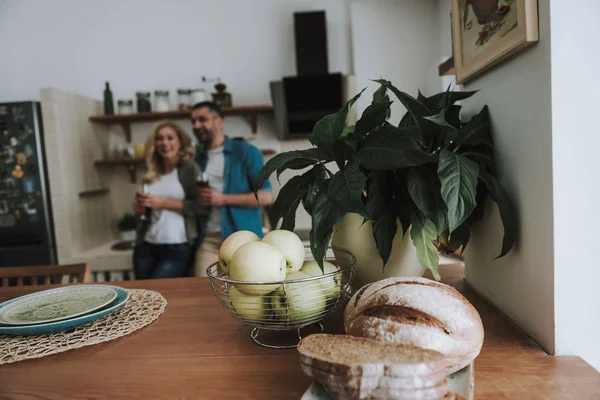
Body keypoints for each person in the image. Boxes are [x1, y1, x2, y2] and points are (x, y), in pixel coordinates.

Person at [190, 101, 273, 276]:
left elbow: (266, 196)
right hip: (208, 240)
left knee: (245, 296)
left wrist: (223, 199)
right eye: (193, 121)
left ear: (219, 121)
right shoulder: (197, 159)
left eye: (202, 119)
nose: (196, 125)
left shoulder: (247, 152)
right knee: (202, 292)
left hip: (243, 240)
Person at [132, 120, 206, 279]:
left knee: (160, 291)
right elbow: (142, 215)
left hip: (177, 246)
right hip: (146, 245)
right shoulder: (150, 173)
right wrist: (139, 208)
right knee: (143, 295)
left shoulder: (190, 168)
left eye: (170, 138)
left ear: (180, 142)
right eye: (159, 138)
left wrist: (163, 203)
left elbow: (202, 205)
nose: (164, 142)